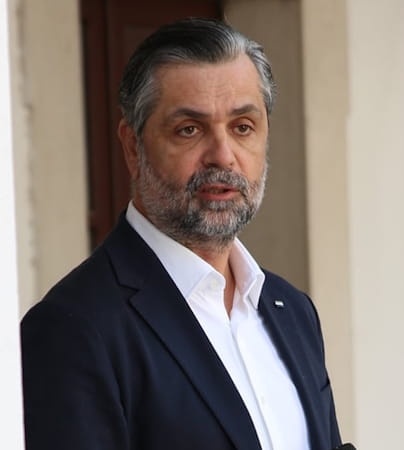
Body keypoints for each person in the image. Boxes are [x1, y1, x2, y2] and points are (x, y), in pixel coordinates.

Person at [21, 18, 343, 450]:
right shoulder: (72, 331)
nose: (223, 156)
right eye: (189, 129)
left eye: (242, 127)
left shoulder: (294, 312)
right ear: (132, 146)